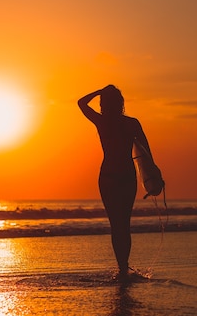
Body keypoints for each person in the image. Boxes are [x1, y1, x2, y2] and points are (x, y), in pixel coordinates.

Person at [78, 85, 152, 278]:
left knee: (116, 225)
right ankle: (123, 267)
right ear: (121, 103)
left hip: (110, 176)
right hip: (124, 176)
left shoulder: (102, 122)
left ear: (103, 103)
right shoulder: (131, 123)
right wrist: (153, 174)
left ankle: (122, 268)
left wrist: (98, 91)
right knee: (123, 225)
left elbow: (81, 102)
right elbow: (147, 153)